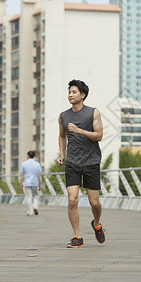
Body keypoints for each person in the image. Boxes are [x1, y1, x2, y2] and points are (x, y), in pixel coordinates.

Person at [57, 79, 106, 248]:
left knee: (94, 203)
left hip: (92, 161)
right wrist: (62, 154)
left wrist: (79, 131)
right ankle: (77, 236)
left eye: (74, 92)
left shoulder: (93, 112)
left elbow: (99, 135)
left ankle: (97, 224)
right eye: (69, 92)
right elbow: (62, 136)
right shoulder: (63, 116)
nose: (70, 95)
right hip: (72, 162)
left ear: (82, 95)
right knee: (72, 200)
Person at [20, 151, 42, 216]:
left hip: (27, 183)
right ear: (34, 156)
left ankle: (30, 211)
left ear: (28, 156)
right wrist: (40, 184)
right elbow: (39, 175)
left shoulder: (24, 164)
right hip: (35, 182)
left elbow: (22, 175)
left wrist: (21, 183)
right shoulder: (37, 164)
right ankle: (35, 206)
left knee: (28, 197)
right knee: (35, 195)